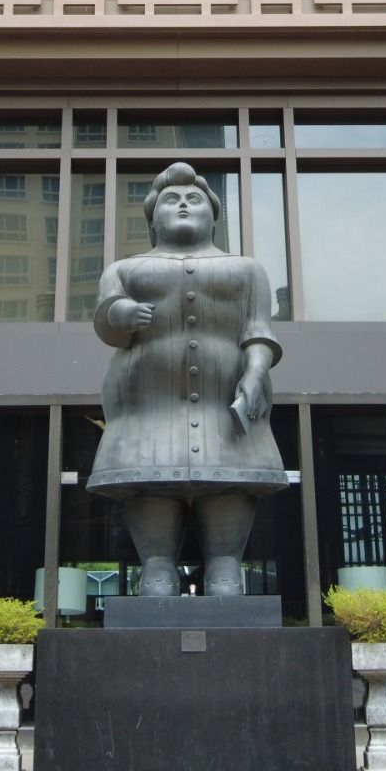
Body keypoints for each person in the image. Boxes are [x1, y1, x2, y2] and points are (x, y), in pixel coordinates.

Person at [88, 162, 285, 597]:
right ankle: (156, 566)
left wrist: (255, 371)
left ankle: (225, 566)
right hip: (148, 406)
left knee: (229, 483)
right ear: (152, 220)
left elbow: (258, 332)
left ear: (213, 218)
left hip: (223, 405)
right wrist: (121, 314)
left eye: (193, 199)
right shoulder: (125, 269)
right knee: (150, 483)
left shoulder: (247, 269)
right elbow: (106, 316)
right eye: (171, 200)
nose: (182, 205)